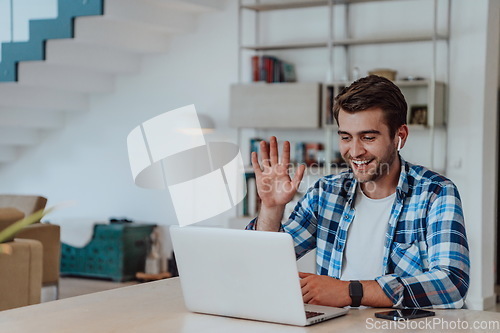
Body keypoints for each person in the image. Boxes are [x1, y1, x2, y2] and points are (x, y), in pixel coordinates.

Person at [246, 75, 470, 309]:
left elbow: (452, 284)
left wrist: (349, 291)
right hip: (336, 326)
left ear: (399, 136)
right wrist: (271, 210)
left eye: (368, 137)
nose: (354, 151)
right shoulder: (326, 192)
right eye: (345, 137)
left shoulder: (436, 193)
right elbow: (263, 263)